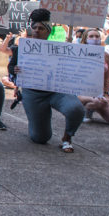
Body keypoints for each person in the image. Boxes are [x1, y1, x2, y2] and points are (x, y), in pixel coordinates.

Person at [11, 8, 85, 152]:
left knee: (76, 109)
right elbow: (11, 66)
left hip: (56, 90)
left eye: (41, 28)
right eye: (35, 28)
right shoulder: (22, 48)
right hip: (33, 93)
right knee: (40, 138)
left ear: (48, 31)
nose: (37, 31)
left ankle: (67, 137)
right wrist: (14, 70)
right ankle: (37, 121)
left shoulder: (59, 48)